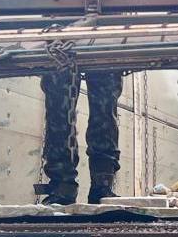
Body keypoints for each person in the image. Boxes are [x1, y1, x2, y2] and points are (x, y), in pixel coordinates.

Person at [38, 68, 124, 205]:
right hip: (60, 51)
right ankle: (63, 187)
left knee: (104, 107)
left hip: (101, 51)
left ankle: (102, 185)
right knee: (59, 106)